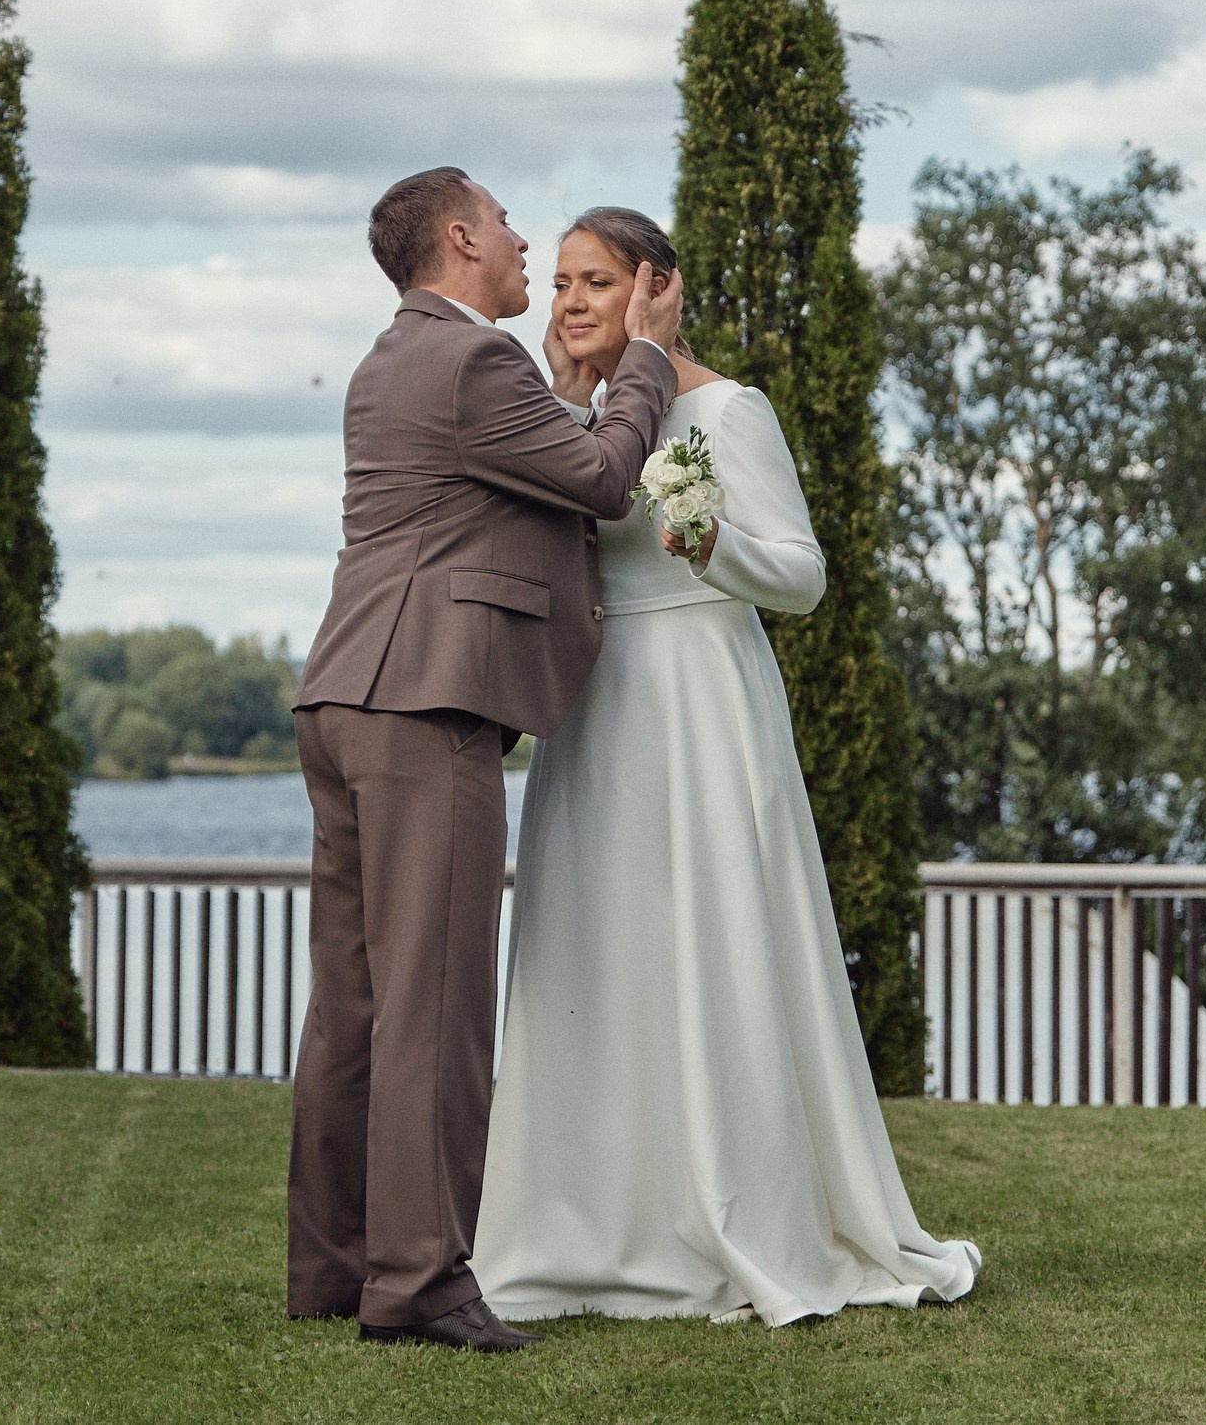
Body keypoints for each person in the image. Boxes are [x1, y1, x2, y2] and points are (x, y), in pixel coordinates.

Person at [474, 207, 983, 1327]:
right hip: (594, 708)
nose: (565, 302)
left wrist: (717, 546)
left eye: (594, 281)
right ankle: (583, 1217)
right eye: (558, 281)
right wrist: (565, 404)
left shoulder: (724, 409)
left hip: (701, 698)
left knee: (711, 945)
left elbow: (800, 577)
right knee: (592, 952)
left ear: (658, 288)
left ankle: (729, 1210)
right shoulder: (573, 417)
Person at [289, 169, 683, 1352]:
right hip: (427, 702)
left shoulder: (388, 359)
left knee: (353, 1004)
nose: (524, 244)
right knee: (436, 1003)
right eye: (510, 224)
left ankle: (335, 1267)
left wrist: (565, 401)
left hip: (346, 692)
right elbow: (605, 481)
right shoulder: (473, 360)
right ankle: (422, 1283)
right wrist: (646, 364)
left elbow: (504, 489)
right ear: (460, 239)